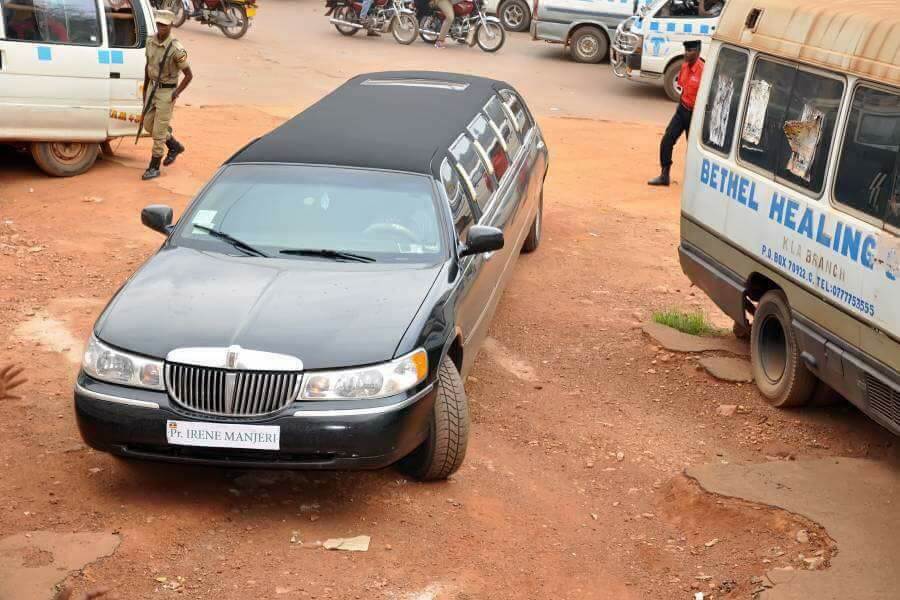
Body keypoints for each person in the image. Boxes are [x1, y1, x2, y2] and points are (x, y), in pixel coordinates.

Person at [141, 9, 193, 181]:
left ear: (171, 25)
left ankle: (154, 167)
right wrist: (145, 91)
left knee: (158, 132)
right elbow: (148, 67)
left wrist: (175, 93)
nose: (160, 27)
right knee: (148, 125)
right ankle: (174, 145)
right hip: (152, 88)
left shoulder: (176, 49)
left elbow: (189, 75)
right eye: (158, 24)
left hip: (167, 92)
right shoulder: (150, 41)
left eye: (164, 25)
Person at [648, 40, 704, 186]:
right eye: (686, 50)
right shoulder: (684, 66)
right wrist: (681, 108)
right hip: (682, 110)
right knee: (667, 140)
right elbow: (683, 88)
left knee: (693, 150)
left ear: (698, 52)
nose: (686, 53)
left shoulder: (703, 71)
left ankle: (695, 182)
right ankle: (664, 175)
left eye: (690, 51)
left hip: (695, 116)